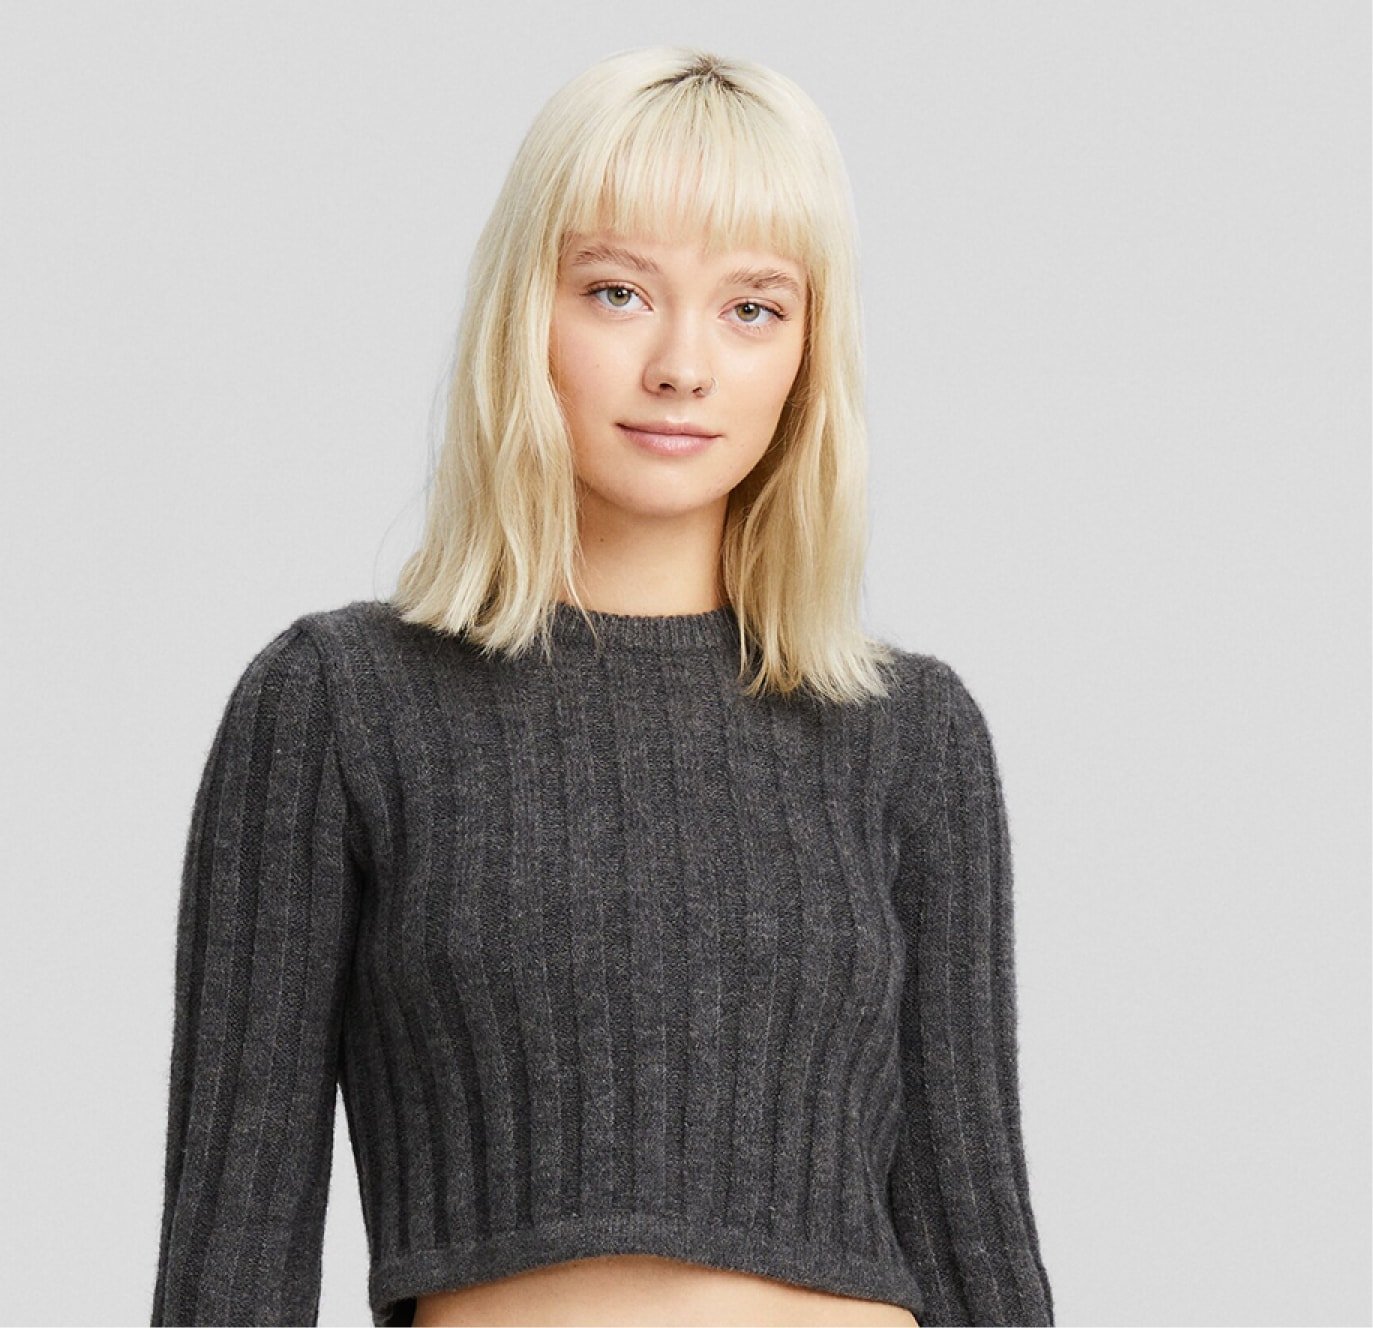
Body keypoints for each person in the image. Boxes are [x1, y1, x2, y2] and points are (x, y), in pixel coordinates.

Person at [150, 44, 1054, 1328]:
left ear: (809, 352)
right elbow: (227, 1267)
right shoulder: (341, 706)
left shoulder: (909, 734)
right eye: (619, 292)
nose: (683, 364)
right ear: (527, 309)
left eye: (752, 308)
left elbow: (978, 1247)